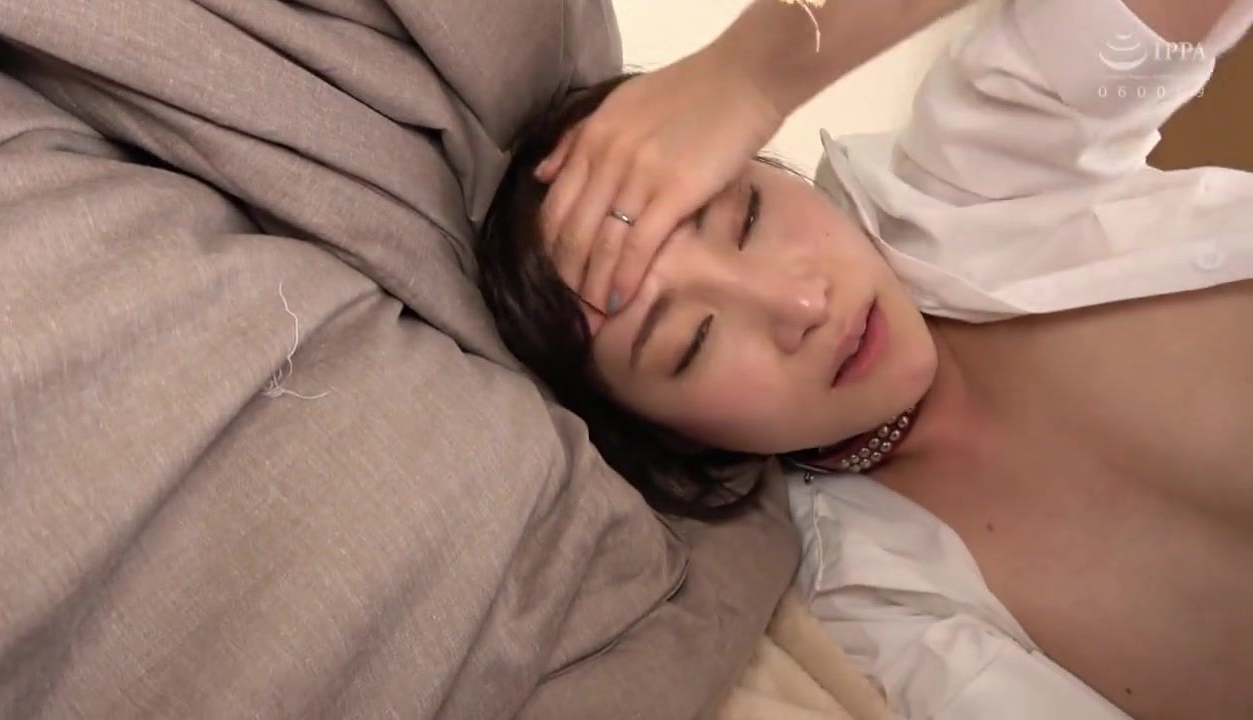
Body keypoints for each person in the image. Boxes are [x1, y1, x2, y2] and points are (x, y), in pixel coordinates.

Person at [477, 0, 1253, 717]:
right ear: (672, 437)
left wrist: (749, 73)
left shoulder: (977, 179)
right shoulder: (871, 614)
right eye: (694, 342)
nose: (800, 306)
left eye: (747, 217)